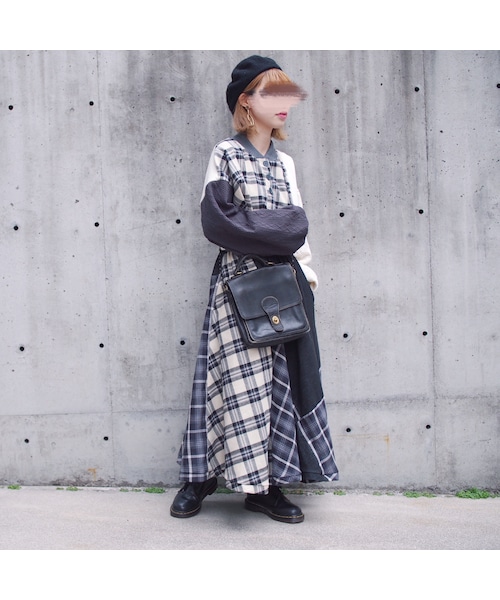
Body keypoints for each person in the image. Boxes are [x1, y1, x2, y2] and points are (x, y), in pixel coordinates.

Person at [170, 55, 339, 524]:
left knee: (277, 385)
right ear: (245, 101)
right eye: (272, 93)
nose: (285, 102)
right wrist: (276, 230)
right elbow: (217, 223)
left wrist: (303, 270)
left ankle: (267, 486)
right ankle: (200, 477)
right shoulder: (225, 154)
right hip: (237, 285)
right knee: (227, 380)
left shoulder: (286, 164)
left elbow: (298, 229)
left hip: (285, 285)